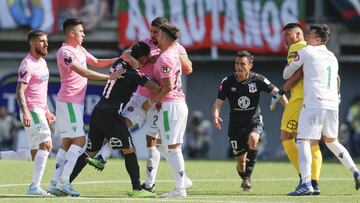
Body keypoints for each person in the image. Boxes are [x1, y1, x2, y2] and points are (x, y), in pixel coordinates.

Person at [85, 17, 193, 193]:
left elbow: (188, 69)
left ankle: (151, 184)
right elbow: (127, 54)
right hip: (143, 94)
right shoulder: (146, 44)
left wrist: (176, 54)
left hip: (161, 98)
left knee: (156, 142)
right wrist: (145, 60)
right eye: (150, 30)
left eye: (155, 31)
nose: (151, 34)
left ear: (164, 33)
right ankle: (103, 157)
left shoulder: (175, 49)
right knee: (123, 122)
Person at [68, 41, 159, 197]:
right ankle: (137, 189)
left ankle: (65, 182)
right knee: (129, 150)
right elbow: (155, 87)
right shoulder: (133, 73)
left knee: (89, 152)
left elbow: (127, 53)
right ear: (143, 58)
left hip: (98, 111)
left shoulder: (120, 62)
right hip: (111, 114)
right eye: (146, 59)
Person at [47, 18, 124, 197]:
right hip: (69, 101)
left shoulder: (79, 49)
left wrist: (119, 59)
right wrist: (109, 77)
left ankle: (53, 184)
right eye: (81, 31)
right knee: (80, 142)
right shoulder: (65, 52)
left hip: (74, 103)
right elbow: (83, 72)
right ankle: (65, 182)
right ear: (72, 33)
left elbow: (95, 62)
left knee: (67, 143)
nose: (84, 34)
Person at [283, 24, 360, 195]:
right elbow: (337, 79)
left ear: (318, 39)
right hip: (332, 104)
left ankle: (306, 183)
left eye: (310, 35)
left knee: (302, 141)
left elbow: (287, 74)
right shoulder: (332, 56)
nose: (307, 38)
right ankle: (355, 171)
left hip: (314, 103)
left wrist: (295, 70)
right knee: (332, 141)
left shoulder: (306, 51)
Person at [212, 50, 287, 192]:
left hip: (254, 120)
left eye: (242, 64)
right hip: (235, 125)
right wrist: (216, 115)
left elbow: (278, 93)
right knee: (240, 163)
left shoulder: (258, 79)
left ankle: (247, 179)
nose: (239, 67)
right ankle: (246, 176)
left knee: (253, 139)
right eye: (236, 63)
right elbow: (217, 103)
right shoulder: (227, 82)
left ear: (250, 65)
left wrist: (289, 109)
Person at [270, 23, 323, 194]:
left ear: (299, 34)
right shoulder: (317, 50)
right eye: (284, 35)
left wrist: (282, 91)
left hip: (299, 98)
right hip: (317, 99)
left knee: (286, 136)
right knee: (313, 141)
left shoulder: (297, 47)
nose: (285, 39)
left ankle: (304, 179)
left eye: (288, 34)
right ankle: (314, 183)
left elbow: (295, 74)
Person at [139, 23, 190, 198]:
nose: (156, 38)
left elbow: (168, 87)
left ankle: (179, 188)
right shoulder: (173, 53)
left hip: (171, 105)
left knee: (173, 147)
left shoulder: (165, 58)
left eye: (159, 35)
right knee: (163, 144)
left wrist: (151, 101)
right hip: (175, 104)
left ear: (166, 38)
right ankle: (183, 181)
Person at [15, 30, 55, 195]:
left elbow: (39, 91)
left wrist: (47, 110)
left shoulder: (43, 62)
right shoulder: (27, 64)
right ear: (32, 43)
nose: (46, 44)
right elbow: (20, 90)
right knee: (46, 144)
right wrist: (25, 112)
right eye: (41, 41)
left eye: (46, 40)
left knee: (34, 154)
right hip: (31, 111)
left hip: (39, 110)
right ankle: (34, 187)